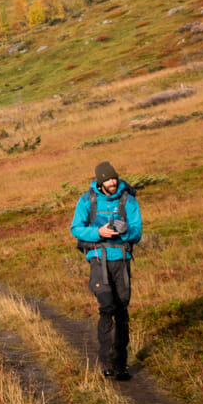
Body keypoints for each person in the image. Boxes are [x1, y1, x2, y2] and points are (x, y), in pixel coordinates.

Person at [71, 160, 142, 380]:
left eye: (114, 178)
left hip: (121, 259)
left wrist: (125, 231)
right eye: (108, 180)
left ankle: (121, 365)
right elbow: (76, 229)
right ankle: (106, 362)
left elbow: (137, 232)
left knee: (121, 310)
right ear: (100, 182)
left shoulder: (128, 201)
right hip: (98, 260)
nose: (113, 182)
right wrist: (98, 232)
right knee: (106, 307)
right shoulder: (86, 200)